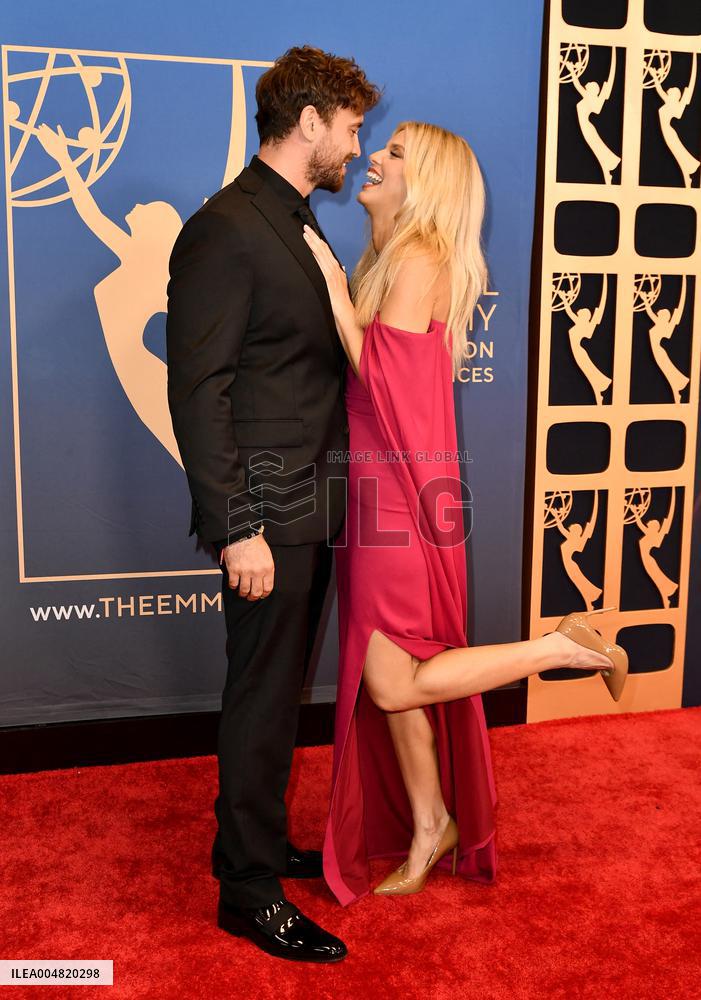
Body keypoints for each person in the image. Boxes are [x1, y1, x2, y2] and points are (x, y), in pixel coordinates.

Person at [303, 120, 629, 905]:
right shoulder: (394, 255)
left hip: (397, 494)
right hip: (383, 486)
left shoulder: (417, 259)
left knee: (388, 683)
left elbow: (380, 379)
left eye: (394, 154)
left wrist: (328, 281)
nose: (372, 158)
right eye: (377, 147)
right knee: (397, 678)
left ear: (429, 183)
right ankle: (429, 822)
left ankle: (556, 648)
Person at [166, 45, 379, 961]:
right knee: (259, 697)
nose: (357, 146)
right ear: (310, 124)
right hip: (266, 516)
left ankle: (251, 842)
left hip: (312, 504)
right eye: (352, 127)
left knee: (276, 692)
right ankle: (246, 891)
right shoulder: (226, 227)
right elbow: (199, 390)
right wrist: (237, 526)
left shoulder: (296, 221)